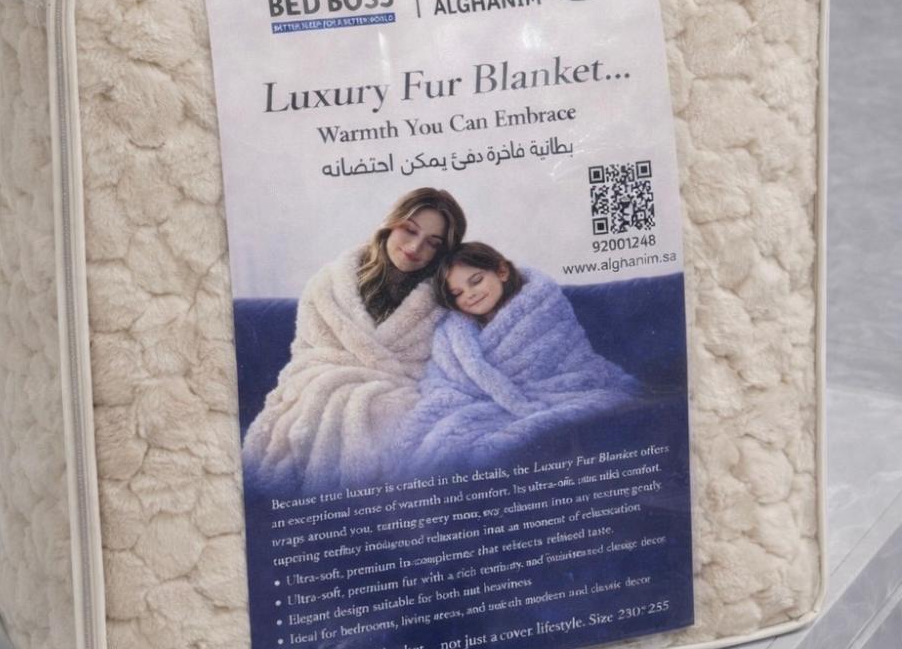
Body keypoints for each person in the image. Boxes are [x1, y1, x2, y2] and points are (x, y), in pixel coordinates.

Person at [242, 188, 467, 494]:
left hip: (403, 394)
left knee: (395, 414)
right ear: (391, 224)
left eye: (433, 243)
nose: (415, 247)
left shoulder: (443, 301)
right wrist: (344, 388)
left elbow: (444, 369)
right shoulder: (329, 285)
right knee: (322, 405)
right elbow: (309, 357)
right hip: (324, 385)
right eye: (410, 230)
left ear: (443, 253)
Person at [391, 242, 640, 475]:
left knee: (474, 449)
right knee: (430, 439)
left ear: (501, 271)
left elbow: (561, 351)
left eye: (476, 281)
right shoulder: (453, 331)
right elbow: (443, 378)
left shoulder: (540, 306)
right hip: (482, 401)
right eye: (457, 293)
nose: (470, 294)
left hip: (551, 391)